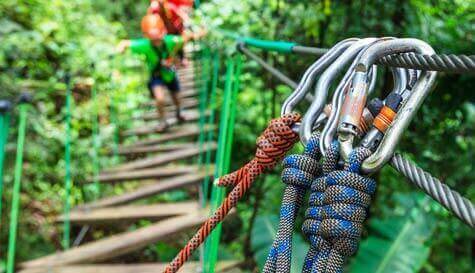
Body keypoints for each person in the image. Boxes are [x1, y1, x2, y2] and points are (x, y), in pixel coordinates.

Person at [117, 14, 204, 130]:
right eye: (153, 39)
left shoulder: (170, 41)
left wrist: (198, 33)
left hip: (170, 74)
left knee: (177, 97)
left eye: (158, 37)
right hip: (156, 75)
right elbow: (126, 43)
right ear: (147, 37)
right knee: (160, 98)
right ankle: (162, 121)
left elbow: (185, 38)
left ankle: (179, 112)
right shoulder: (144, 45)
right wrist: (120, 48)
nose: (156, 41)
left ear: (163, 33)